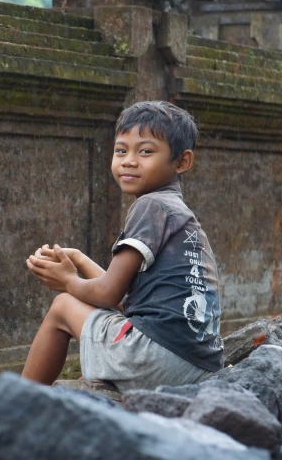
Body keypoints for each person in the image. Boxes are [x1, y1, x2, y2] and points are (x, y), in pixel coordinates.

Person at [24, 101, 223, 392]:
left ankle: (17, 403)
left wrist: (67, 281)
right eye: (121, 150)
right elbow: (126, 301)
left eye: (145, 151)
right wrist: (79, 259)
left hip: (154, 357)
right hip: (197, 364)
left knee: (62, 307)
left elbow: (108, 293)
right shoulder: (178, 214)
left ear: (182, 162)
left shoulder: (150, 205)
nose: (129, 160)